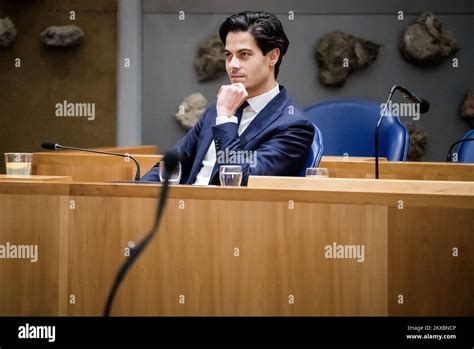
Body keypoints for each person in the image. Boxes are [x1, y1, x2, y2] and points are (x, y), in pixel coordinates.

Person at [141, 11, 315, 185]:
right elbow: (171, 165)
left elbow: (239, 181)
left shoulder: (294, 127)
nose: (233, 65)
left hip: (229, 210)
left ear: (272, 57)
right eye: (228, 55)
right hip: (185, 205)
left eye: (244, 55)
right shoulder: (215, 109)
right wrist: (135, 195)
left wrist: (225, 119)